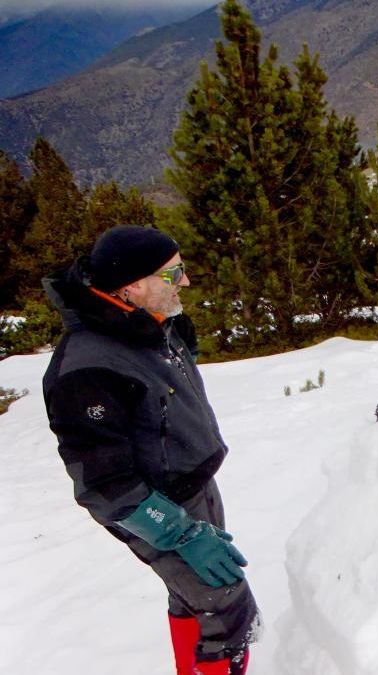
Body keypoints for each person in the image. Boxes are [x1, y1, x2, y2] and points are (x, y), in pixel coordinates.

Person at [42, 225, 258, 675]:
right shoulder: (86, 368)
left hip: (195, 485)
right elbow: (105, 485)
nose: (186, 281)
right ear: (132, 285)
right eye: (172, 273)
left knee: (191, 599)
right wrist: (180, 534)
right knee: (229, 613)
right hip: (155, 509)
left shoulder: (150, 324)